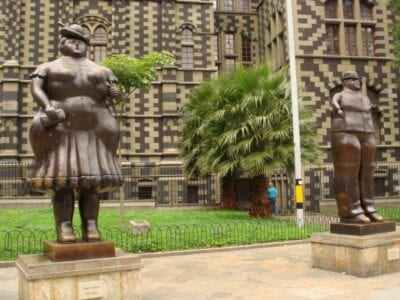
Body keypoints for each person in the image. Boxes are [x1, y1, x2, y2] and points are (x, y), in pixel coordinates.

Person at [26, 24, 123, 243]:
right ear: (62, 44)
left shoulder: (103, 70)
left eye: (81, 41)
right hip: (61, 128)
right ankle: (64, 227)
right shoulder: (48, 67)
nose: (77, 43)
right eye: (72, 40)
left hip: (95, 129)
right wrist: (46, 106)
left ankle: (91, 226)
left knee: (91, 183)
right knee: (64, 181)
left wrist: (116, 94)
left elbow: (116, 97)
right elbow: (36, 89)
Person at [331, 71, 383, 224]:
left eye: (358, 80)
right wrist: (337, 109)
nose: (356, 82)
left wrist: (376, 111)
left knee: (367, 171)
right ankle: (350, 211)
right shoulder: (340, 95)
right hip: (346, 131)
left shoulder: (365, 98)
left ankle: (369, 208)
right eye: (352, 79)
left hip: (367, 133)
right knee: (348, 171)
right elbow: (334, 103)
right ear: (345, 81)